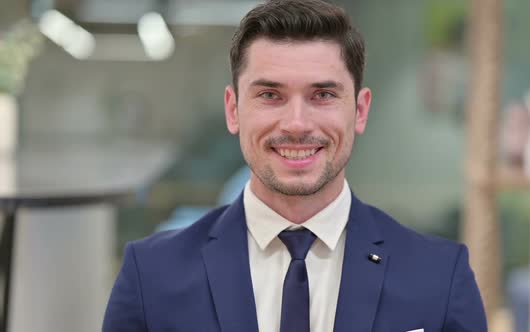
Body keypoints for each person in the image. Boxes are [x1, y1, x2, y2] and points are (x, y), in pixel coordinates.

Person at [102, 0, 487, 331]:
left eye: (322, 94)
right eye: (270, 95)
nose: (297, 124)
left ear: (360, 110)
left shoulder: (440, 278)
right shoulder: (151, 277)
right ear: (233, 110)